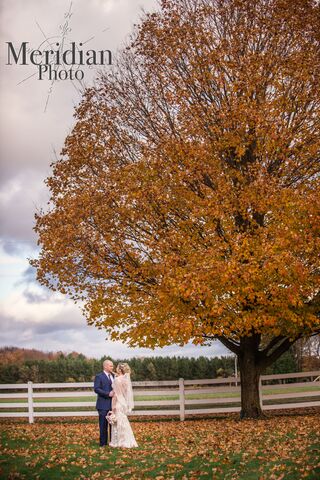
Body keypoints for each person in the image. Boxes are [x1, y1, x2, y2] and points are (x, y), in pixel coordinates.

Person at [109, 362, 138, 448]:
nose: (116, 369)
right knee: (123, 422)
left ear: (119, 370)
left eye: (117, 368)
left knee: (118, 423)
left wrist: (113, 406)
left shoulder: (117, 380)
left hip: (118, 402)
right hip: (123, 403)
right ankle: (127, 440)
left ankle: (120, 442)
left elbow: (115, 395)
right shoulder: (125, 379)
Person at [93, 359, 115, 447]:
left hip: (113, 405)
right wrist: (108, 393)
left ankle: (112, 442)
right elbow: (96, 389)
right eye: (111, 366)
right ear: (105, 366)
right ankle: (103, 443)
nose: (112, 367)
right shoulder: (99, 376)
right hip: (102, 404)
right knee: (103, 425)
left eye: (112, 366)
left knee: (113, 425)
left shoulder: (114, 376)